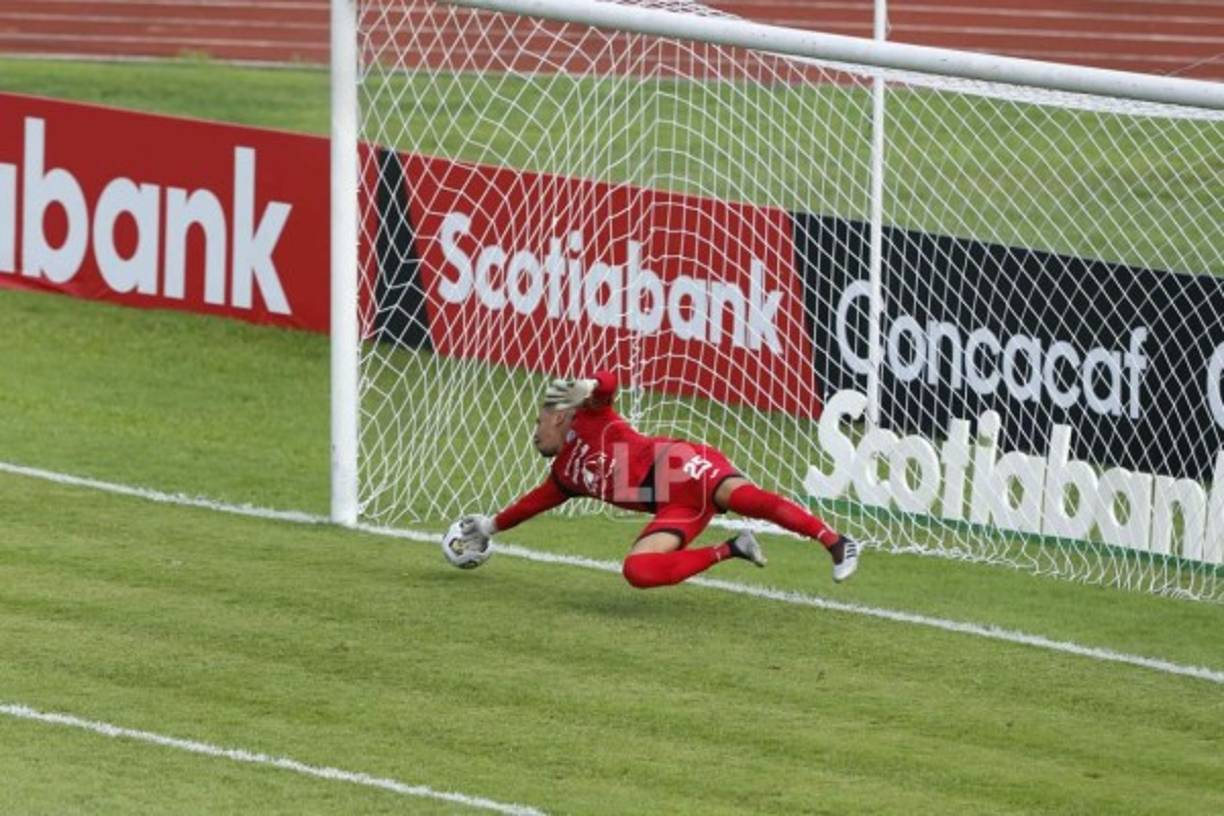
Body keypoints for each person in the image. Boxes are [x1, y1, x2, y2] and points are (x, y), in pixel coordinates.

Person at [459, 371, 859, 589]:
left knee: (744, 497)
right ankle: (734, 548)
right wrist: (490, 526)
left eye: (537, 422)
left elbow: (610, 384)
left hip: (676, 464)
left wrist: (589, 386)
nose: (534, 433)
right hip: (675, 506)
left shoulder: (591, 418)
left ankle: (836, 542)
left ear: (559, 416)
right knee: (638, 571)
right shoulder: (565, 475)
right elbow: (532, 503)